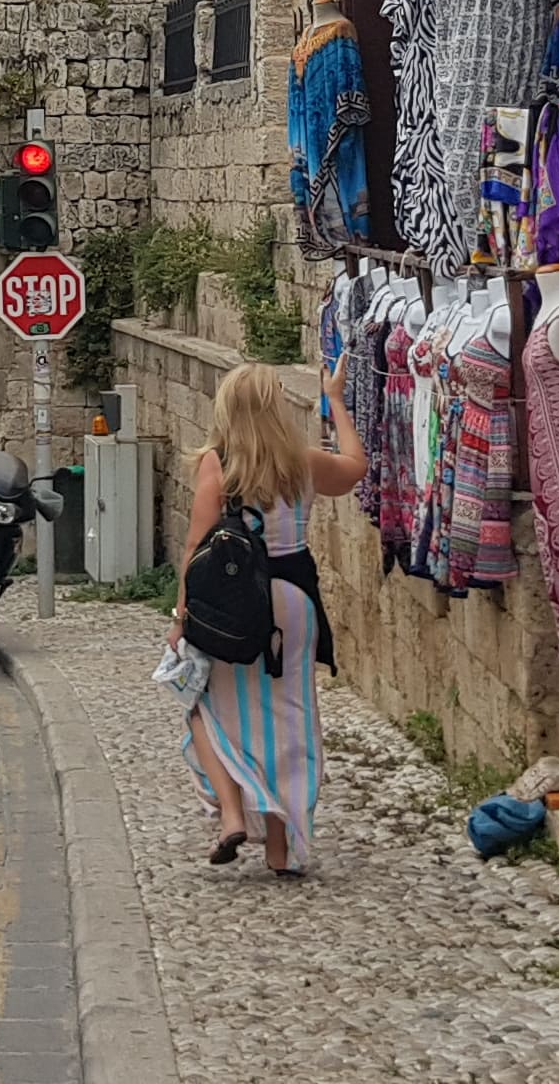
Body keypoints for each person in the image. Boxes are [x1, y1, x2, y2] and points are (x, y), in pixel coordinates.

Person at [171, 362, 365, 878]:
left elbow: (197, 546)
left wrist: (180, 616)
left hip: (235, 607)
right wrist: (336, 400)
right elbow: (354, 466)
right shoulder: (303, 464)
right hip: (294, 605)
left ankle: (233, 813)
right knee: (289, 717)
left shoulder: (218, 465)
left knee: (202, 705)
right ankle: (282, 847)